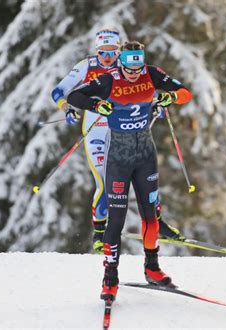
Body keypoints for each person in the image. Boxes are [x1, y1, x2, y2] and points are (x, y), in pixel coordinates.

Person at [67, 41, 193, 301]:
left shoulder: (152, 74)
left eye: (138, 65)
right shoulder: (108, 79)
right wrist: (96, 106)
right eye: (129, 66)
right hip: (119, 159)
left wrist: (171, 96)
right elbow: (74, 96)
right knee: (117, 219)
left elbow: (185, 92)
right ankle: (110, 278)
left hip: (146, 155)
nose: (134, 72)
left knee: (151, 216)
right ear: (121, 63)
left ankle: (152, 268)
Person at [51, 30, 184, 254]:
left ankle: (157, 222)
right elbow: (59, 91)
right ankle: (99, 233)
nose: (106, 58)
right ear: (96, 51)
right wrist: (67, 109)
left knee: (147, 177)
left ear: (120, 51)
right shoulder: (87, 66)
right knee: (104, 182)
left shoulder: (132, 69)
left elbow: (150, 91)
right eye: (102, 53)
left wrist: (159, 104)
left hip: (126, 131)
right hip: (97, 131)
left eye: (112, 53)